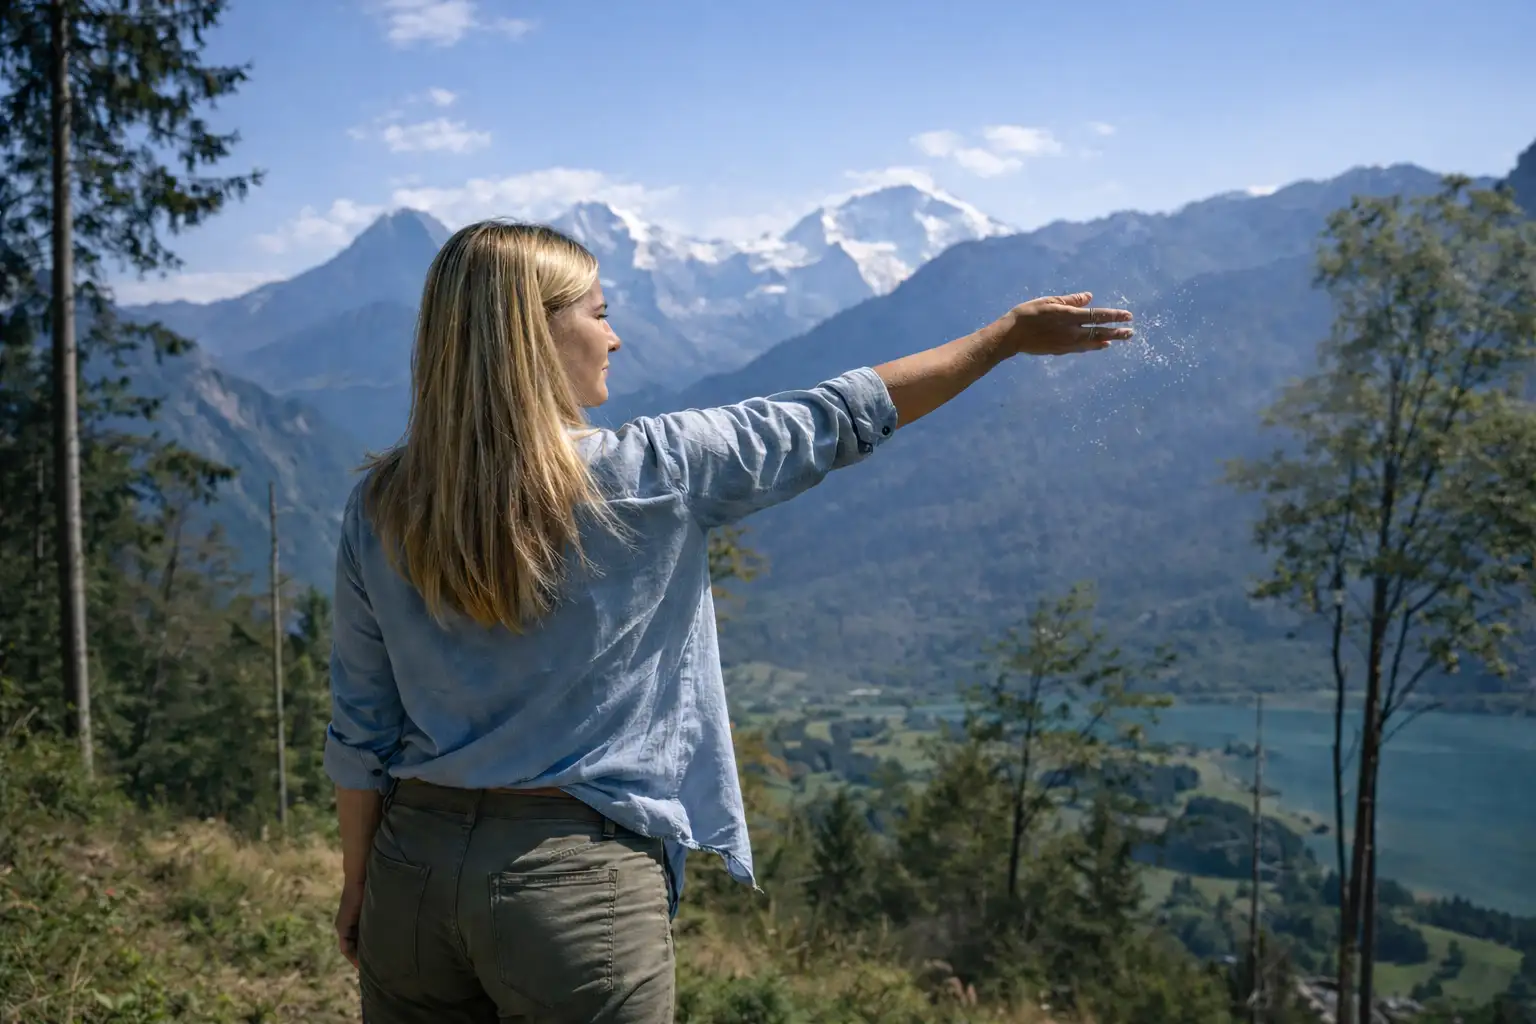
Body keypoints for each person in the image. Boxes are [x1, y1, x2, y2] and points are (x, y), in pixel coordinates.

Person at [325, 219, 1133, 1023]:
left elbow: (362, 725)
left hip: (414, 871)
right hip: (575, 886)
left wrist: (361, 881)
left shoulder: (382, 504)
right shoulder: (657, 470)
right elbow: (844, 414)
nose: (615, 338)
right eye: (599, 313)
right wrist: (1003, 338)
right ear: (534, 335)